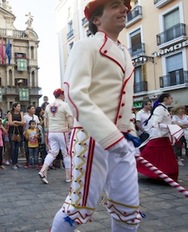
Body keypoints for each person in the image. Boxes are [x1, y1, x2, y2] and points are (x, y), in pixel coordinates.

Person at [52, 1, 142, 231]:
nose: (125, 9)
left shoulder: (124, 52)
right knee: (77, 209)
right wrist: (111, 136)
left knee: (128, 210)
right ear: (96, 19)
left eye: (125, 6)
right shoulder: (85, 47)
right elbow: (75, 94)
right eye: (115, 5)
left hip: (123, 143)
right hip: (91, 137)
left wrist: (128, 133)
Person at [137, 93, 180, 181]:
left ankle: (164, 175)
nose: (172, 100)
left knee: (163, 159)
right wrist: (169, 127)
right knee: (153, 156)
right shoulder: (160, 109)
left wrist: (171, 125)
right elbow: (155, 124)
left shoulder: (164, 109)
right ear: (165, 99)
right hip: (159, 137)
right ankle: (160, 175)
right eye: (171, 98)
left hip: (164, 137)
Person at [38, 88, 73, 184]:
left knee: (52, 152)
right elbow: (70, 118)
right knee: (66, 153)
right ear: (61, 95)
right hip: (62, 131)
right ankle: (68, 176)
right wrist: (71, 127)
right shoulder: (65, 105)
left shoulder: (48, 106)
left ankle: (42, 170)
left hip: (51, 132)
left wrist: (48, 129)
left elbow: (45, 120)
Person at [7, 102, 25, 170]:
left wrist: (16, 122)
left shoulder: (21, 113)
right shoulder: (10, 113)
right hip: (12, 132)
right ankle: (13, 163)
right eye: (18, 106)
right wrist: (18, 123)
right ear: (14, 107)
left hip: (19, 132)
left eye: (20, 106)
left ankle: (16, 162)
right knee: (13, 148)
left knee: (17, 148)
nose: (19, 108)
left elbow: (23, 123)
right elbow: (10, 123)